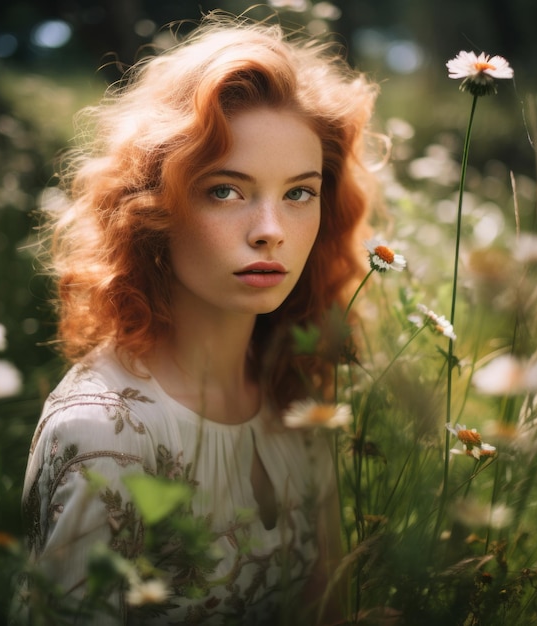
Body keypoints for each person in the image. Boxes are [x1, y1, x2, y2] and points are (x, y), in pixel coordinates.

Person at [19, 12, 378, 626]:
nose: (270, 232)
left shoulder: (298, 393)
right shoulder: (106, 436)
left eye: (299, 193)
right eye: (225, 190)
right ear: (152, 207)